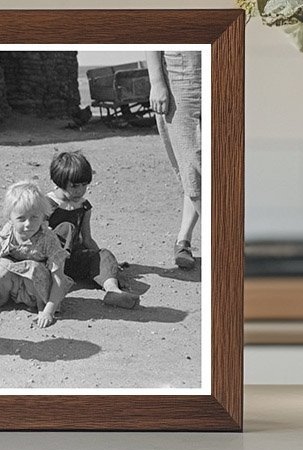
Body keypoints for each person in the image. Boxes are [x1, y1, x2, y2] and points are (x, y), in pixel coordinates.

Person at [0, 180, 70, 329]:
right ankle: (3, 297)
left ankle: (40, 306)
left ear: (43, 216)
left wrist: (49, 310)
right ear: (10, 217)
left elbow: (59, 279)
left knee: (33, 267)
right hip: (15, 286)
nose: (28, 224)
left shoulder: (48, 239)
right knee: (1, 266)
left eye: (34, 217)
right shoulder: (8, 232)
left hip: (38, 288)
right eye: (21, 218)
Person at [46, 150, 139, 308]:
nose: (80, 191)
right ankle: (55, 284)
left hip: (73, 259)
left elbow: (87, 238)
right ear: (60, 181)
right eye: (74, 186)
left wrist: (106, 262)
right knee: (66, 228)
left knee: (104, 254)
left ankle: (113, 291)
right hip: (50, 261)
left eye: (84, 185)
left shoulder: (84, 206)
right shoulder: (47, 204)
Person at [146, 50, 201, 270]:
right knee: (194, 164)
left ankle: (182, 240)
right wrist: (157, 81)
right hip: (182, 80)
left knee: (210, 167)